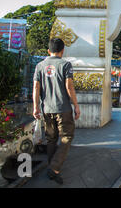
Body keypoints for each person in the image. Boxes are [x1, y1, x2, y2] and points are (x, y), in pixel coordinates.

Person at [33, 38, 81, 185]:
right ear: (62, 50)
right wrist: (76, 106)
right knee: (67, 137)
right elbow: (69, 87)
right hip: (63, 108)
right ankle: (54, 168)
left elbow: (36, 88)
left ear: (49, 50)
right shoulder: (65, 65)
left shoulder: (40, 66)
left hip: (46, 109)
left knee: (51, 139)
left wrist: (36, 107)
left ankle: (52, 167)